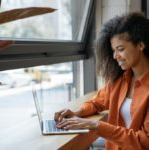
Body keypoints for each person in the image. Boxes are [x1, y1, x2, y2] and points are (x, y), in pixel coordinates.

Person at [54, 12, 149, 150]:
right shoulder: (121, 80)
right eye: (113, 50)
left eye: (120, 49)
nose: (115, 56)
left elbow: (144, 142)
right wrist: (77, 112)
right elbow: (97, 102)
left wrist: (95, 125)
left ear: (141, 45)